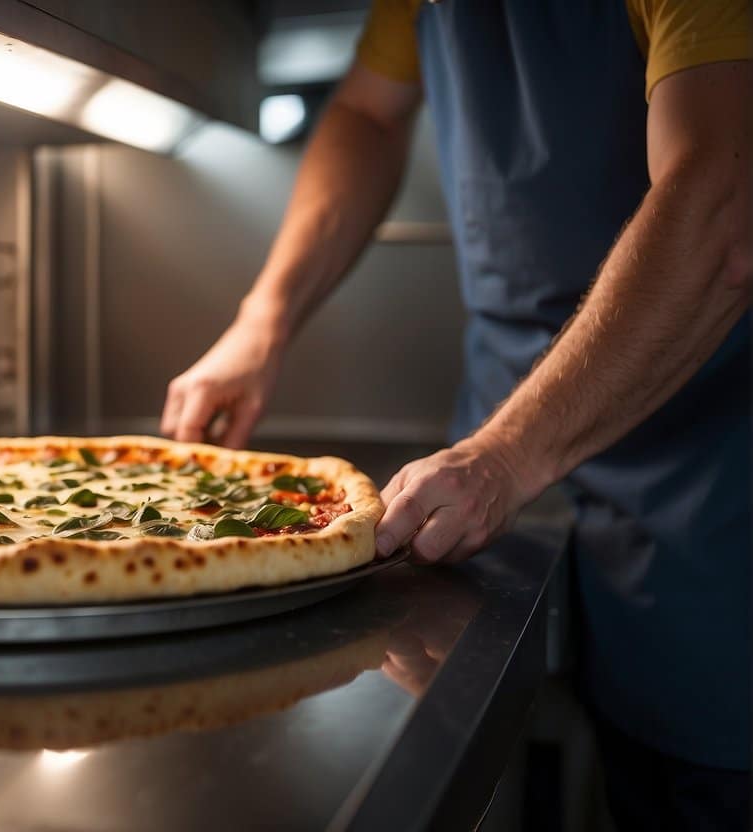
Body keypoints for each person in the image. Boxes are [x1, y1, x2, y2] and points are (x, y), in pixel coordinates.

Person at [160, 2, 750, 829]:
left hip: (703, 468)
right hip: (499, 468)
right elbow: (366, 112)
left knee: (694, 783)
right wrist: (262, 322)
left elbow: (720, 207)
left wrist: (506, 457)